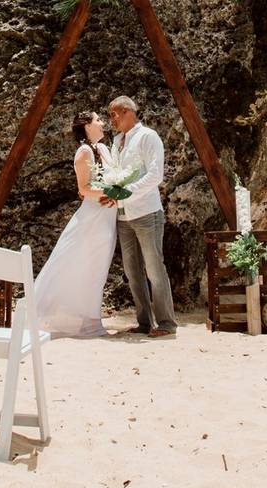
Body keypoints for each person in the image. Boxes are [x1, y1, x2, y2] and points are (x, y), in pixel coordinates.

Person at [34, 111, 117, 338]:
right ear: (87, 126)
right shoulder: (84, 152)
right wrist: (113, 192)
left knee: (97, 268)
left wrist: (117, 189)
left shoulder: (103, 149)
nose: (102, 123)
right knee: (80, 265)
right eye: (98, 120)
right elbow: (84, 189)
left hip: (107, 216)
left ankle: (89, 318)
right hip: (92, 218)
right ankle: (80, 320)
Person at [105, 96, 178, 338]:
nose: (110, 120)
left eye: (112, 115)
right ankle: (144, 321)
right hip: (123, 216)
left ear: (126, 111)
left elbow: (156, 175)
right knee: (132, 271)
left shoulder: (148, 136)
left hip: (147, 212)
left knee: (154, 269)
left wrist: (128, 190)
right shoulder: (116, 141)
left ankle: (167, 323)